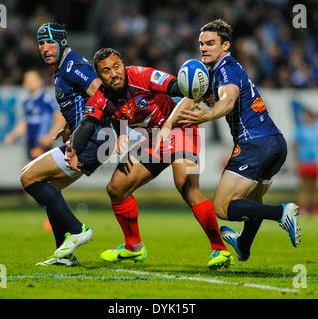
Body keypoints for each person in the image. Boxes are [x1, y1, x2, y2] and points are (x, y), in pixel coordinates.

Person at [65, 48, 234, 268]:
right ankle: (134, 248)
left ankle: (219, 249)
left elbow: (177, 86)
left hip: (181, 128)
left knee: (186, 186)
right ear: (99, 76)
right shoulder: (100, 99)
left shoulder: (143, 76)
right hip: (154, 139)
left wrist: (203, 92)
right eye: (106, 71)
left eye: (117, 67)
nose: (114, 73)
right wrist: (74, 148)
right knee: (116, 188)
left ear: (123, 66)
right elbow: (87, 124)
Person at [157, 19, 301, 262]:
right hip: (275, 144)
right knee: (252, 201)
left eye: (211, 43)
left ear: (225, 46)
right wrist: (168, 124)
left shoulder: (227, 68)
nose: (204, 48)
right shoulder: (212, 73)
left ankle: (281, 212)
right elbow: (190, 99)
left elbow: (228, 100)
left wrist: (208, 115)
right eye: (201, 43)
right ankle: (243, 245)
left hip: (253, 143)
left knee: (223, 207)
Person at [21, 22, 111, 266]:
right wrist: (71, 126)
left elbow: (101, 95)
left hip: (93, 139)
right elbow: (84, 101)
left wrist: (89, 131)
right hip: (90, 138)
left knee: (28, 177)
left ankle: (77, 229)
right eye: (41, 43)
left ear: (62, 42)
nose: (45, 48)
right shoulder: (62, 69)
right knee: (49, 186)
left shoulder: (73, 65)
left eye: (50, 41)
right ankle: (65, 254)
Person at [4, 70, 65, 161]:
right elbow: (25, 123)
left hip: (42, 143)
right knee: (30, 171)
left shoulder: (46, 99)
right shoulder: (27, 102)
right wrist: (13, 135)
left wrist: (50, 136)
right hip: (30, 143)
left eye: (33, 80)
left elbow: (61, 119)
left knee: (40, 172)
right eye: (27, 80)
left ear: (40, 82)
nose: (30, 83)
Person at [293, 109, 318, 216]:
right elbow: (295, 146)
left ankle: (315, 208)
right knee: (303, 186)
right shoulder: (300, 130)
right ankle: (302, 208)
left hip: (314, 161)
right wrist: (296, 161)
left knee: (315, 187)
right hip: (304, 161)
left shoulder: (317, 131)